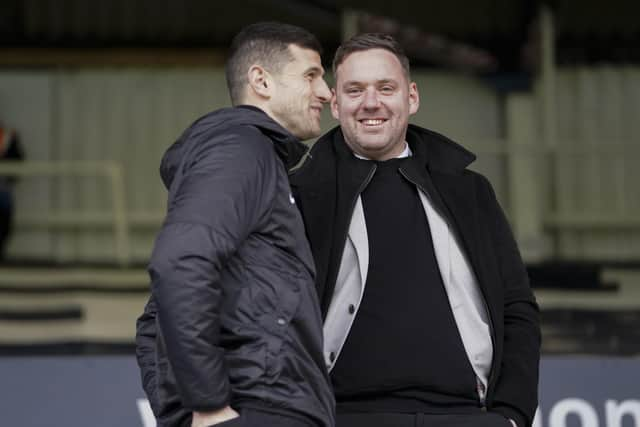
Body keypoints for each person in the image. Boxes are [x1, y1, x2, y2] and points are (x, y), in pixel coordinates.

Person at [289, 33, 540, 427]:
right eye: (355, 90)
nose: (371, 102)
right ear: (335, 104)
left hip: (464, 416)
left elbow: (516, 308)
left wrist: (511, 414)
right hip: (343, 417)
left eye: (385, 88)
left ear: (412, 97)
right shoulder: (299, 195)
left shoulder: (469, 191)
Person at [135, 22, 334, 427]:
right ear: (261, 80)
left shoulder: (254, 157)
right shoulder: (243, 148)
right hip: (259, 407)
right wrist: (208, 403)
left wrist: (179, 409)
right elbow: (180, 261)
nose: (326, 93)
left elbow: (150, 322)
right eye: (312, 75)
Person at [0, 125, 24, 262]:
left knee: (5, 225)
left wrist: (14, 143)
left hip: (4, 192)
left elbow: (18, 160)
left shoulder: (8, 138)